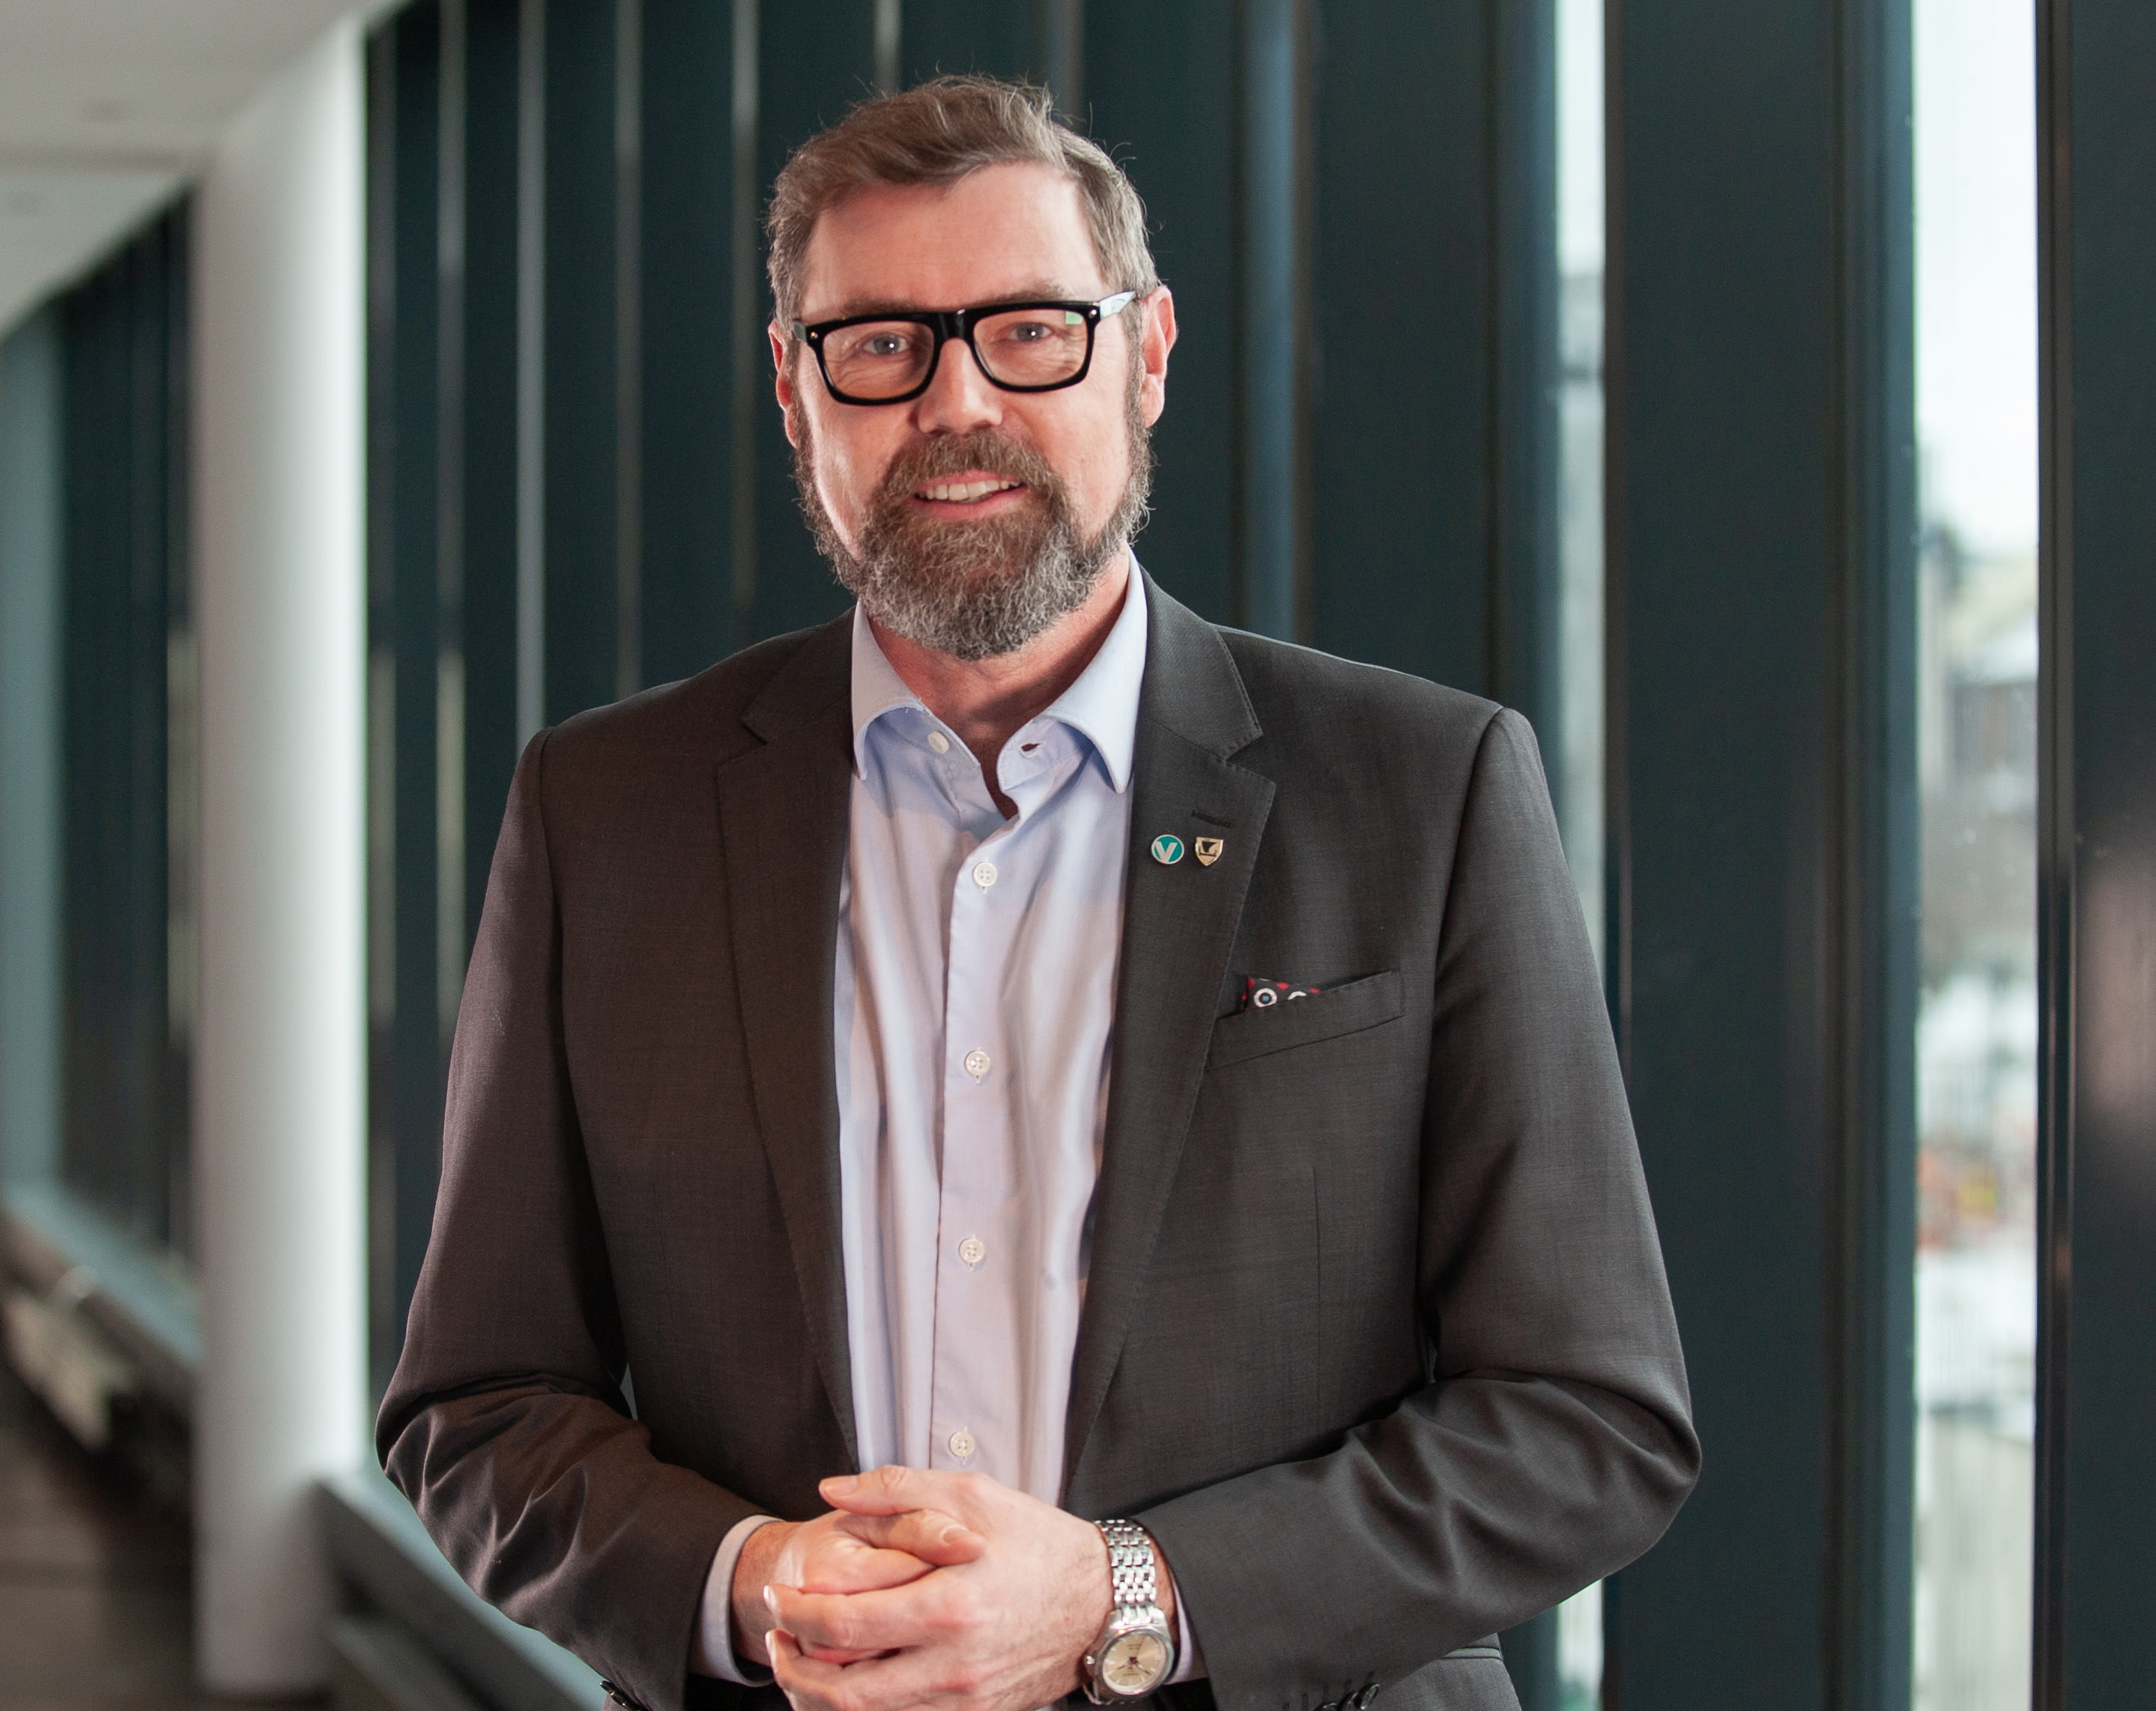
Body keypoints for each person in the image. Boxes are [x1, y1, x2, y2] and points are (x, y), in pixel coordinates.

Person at [379, 75, 1698, 1711]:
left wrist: (1119, 1594)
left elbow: (1589, 1419)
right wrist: (753, 1579)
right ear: (794, 390)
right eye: (880, 344)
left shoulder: (1423, 792)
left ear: (1145, 356)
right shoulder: (605, 814)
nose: (956, 402)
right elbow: (479, 1406)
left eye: (1028, 332)